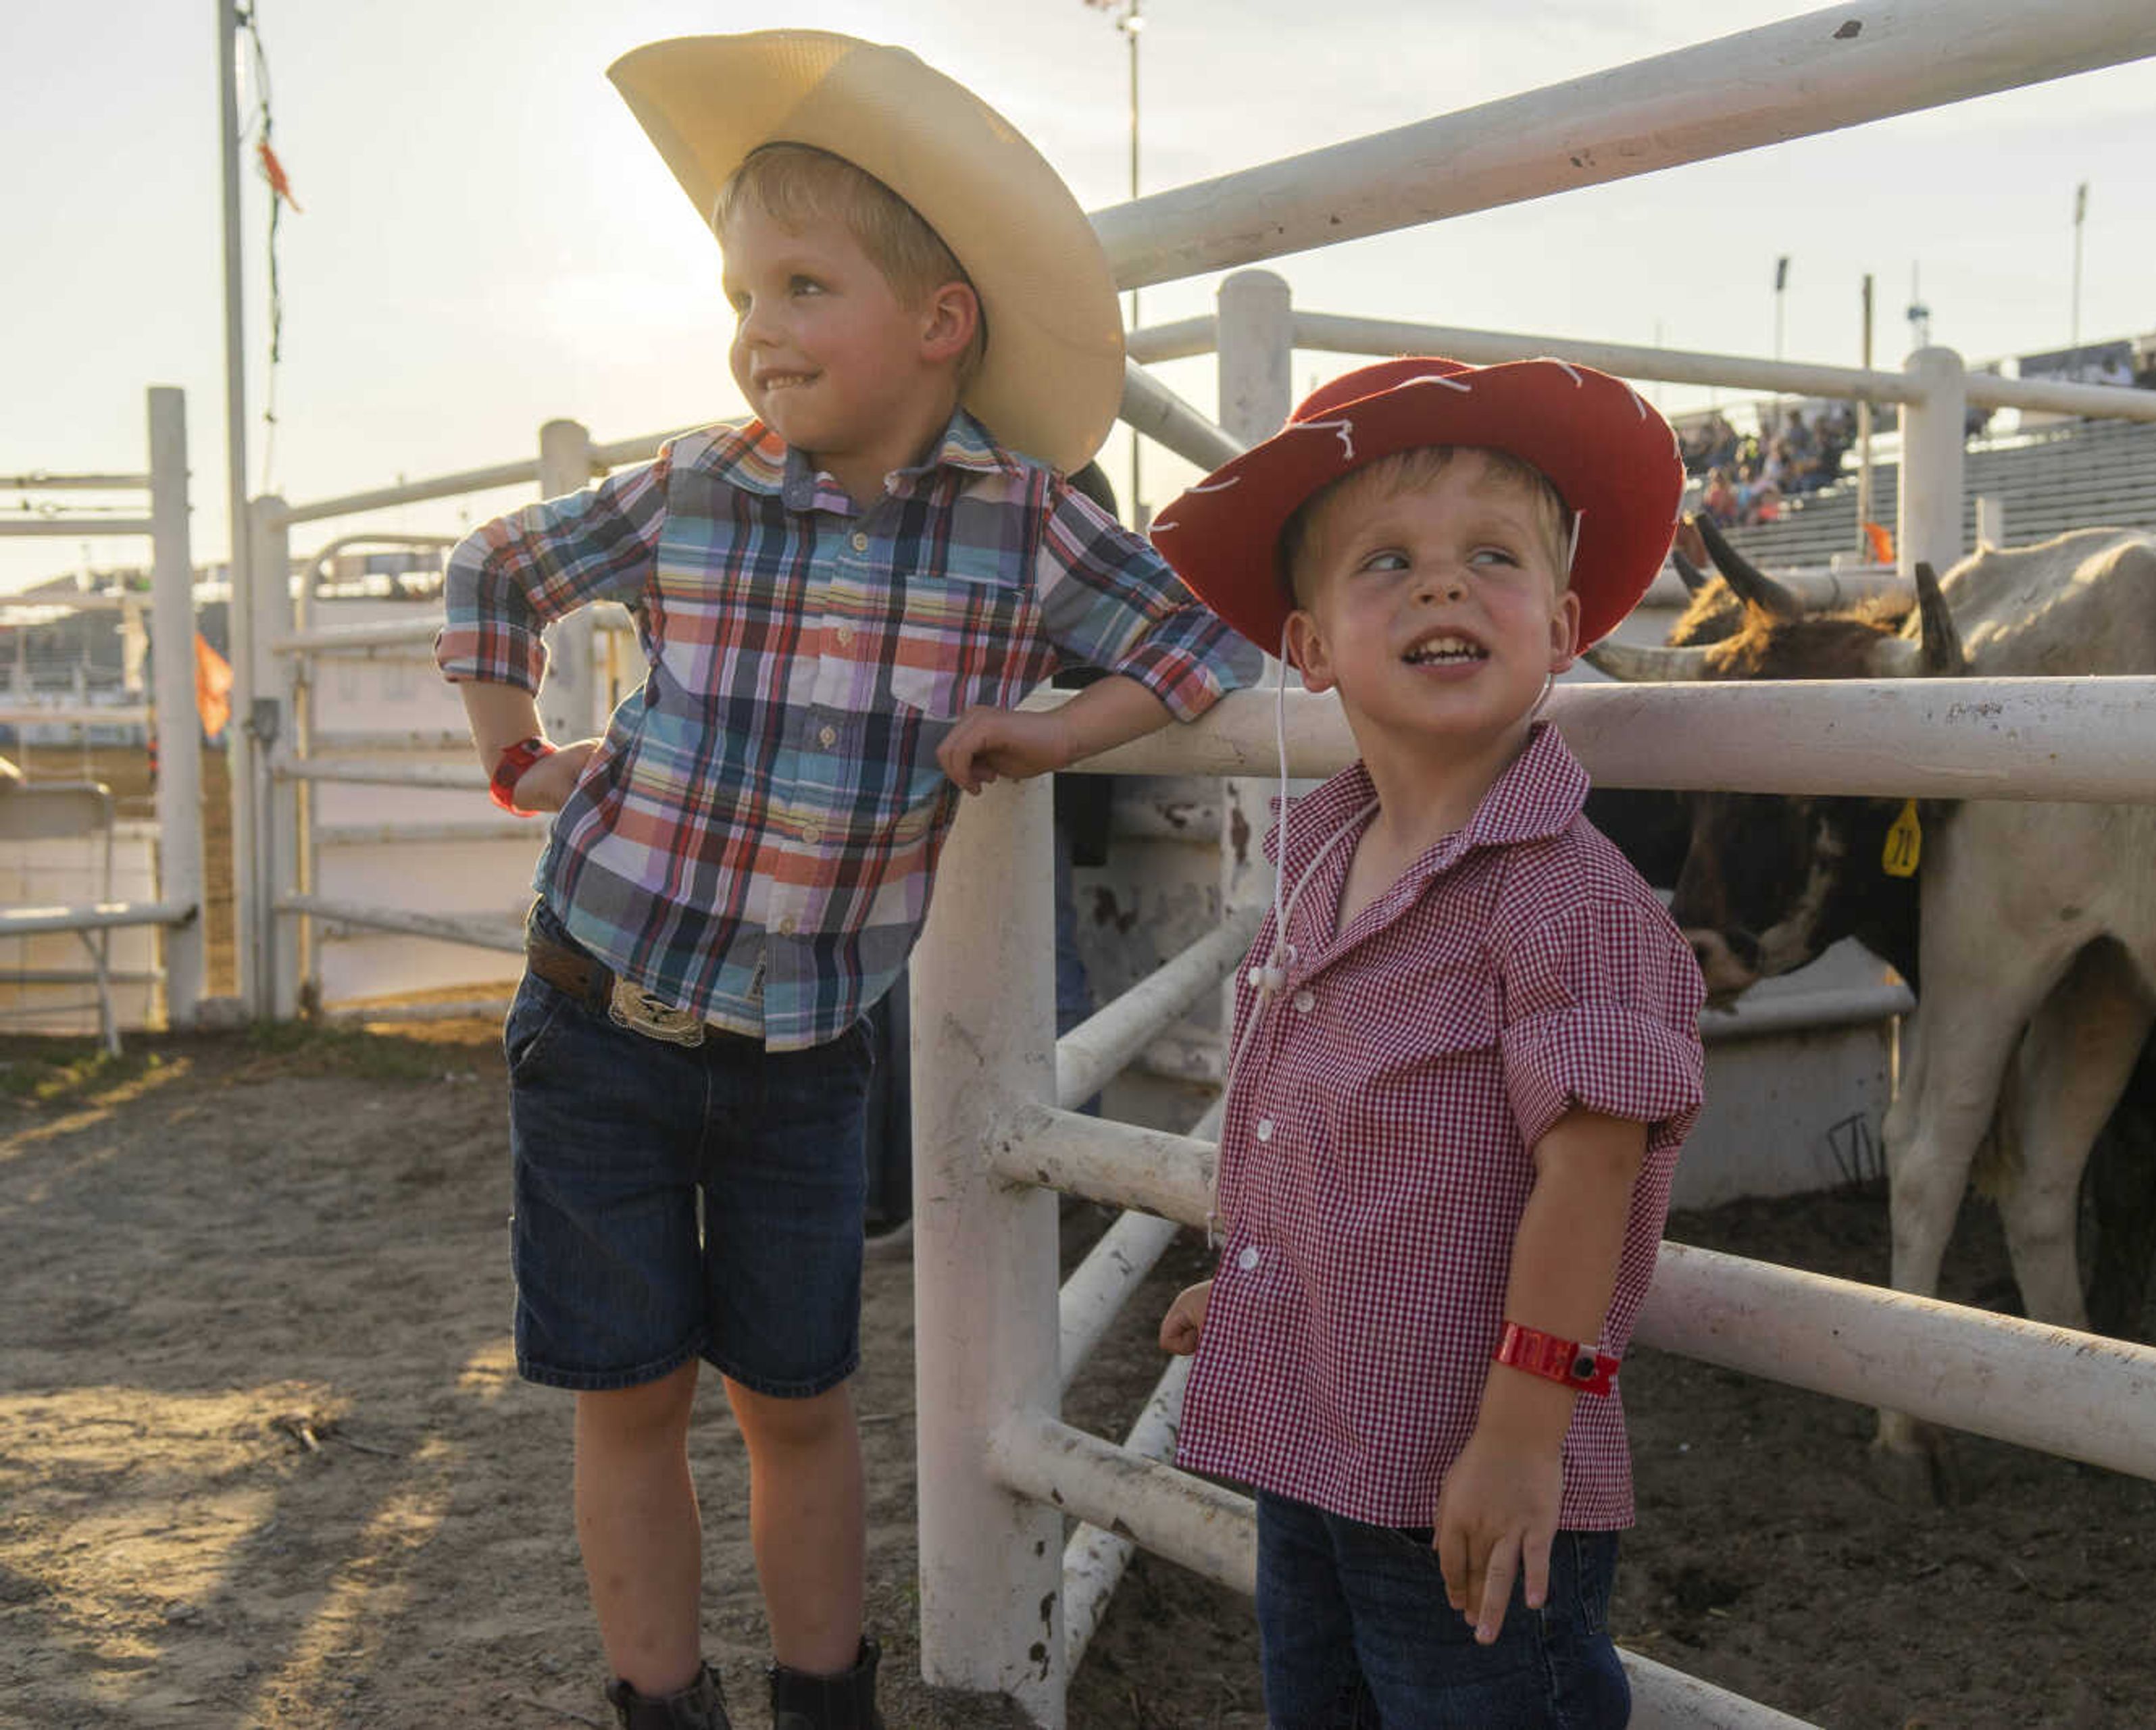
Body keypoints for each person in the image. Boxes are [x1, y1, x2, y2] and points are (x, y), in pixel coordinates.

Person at [433, 30, 1240, 1729]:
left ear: (943, 321)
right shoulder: (698, 488)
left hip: (805, 1064)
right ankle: (661, 1702)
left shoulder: (1023, 528)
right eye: (741, 292)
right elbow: (493, 567)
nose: (757, 330)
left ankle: (827, 1705)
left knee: (797, 1400)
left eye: (804, 285)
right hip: (596, 1017)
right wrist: (519, 759)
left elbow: (1195, 639)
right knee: (628, 1395)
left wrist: (1045, 727)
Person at [1145, 357, 1707, 1728]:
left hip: (1469, 1471)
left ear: (1562, 625)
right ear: (1315, 644)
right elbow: (1351, 1132)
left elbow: (1592, 1173)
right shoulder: (1325, 863)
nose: (1444, 587)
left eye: (1490, 559)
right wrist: (1272, 1295)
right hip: (1319, 1444)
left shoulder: (1566, 897)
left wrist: (1524, 1435)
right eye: (1387, 562)